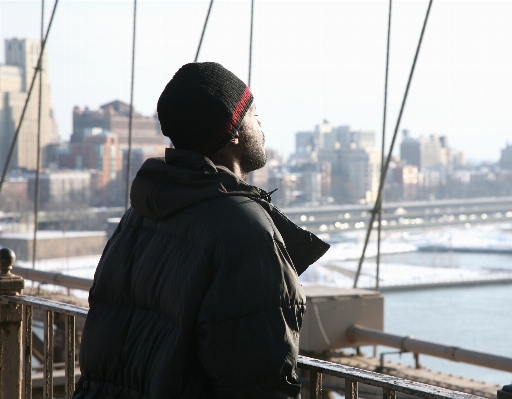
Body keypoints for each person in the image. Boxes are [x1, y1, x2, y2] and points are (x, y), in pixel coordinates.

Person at [74, 62, 329, 399]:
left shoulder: (141, 214)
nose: (262, 125)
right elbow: (258, 382)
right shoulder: (245, 230)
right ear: (235, 131)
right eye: (255, 114)